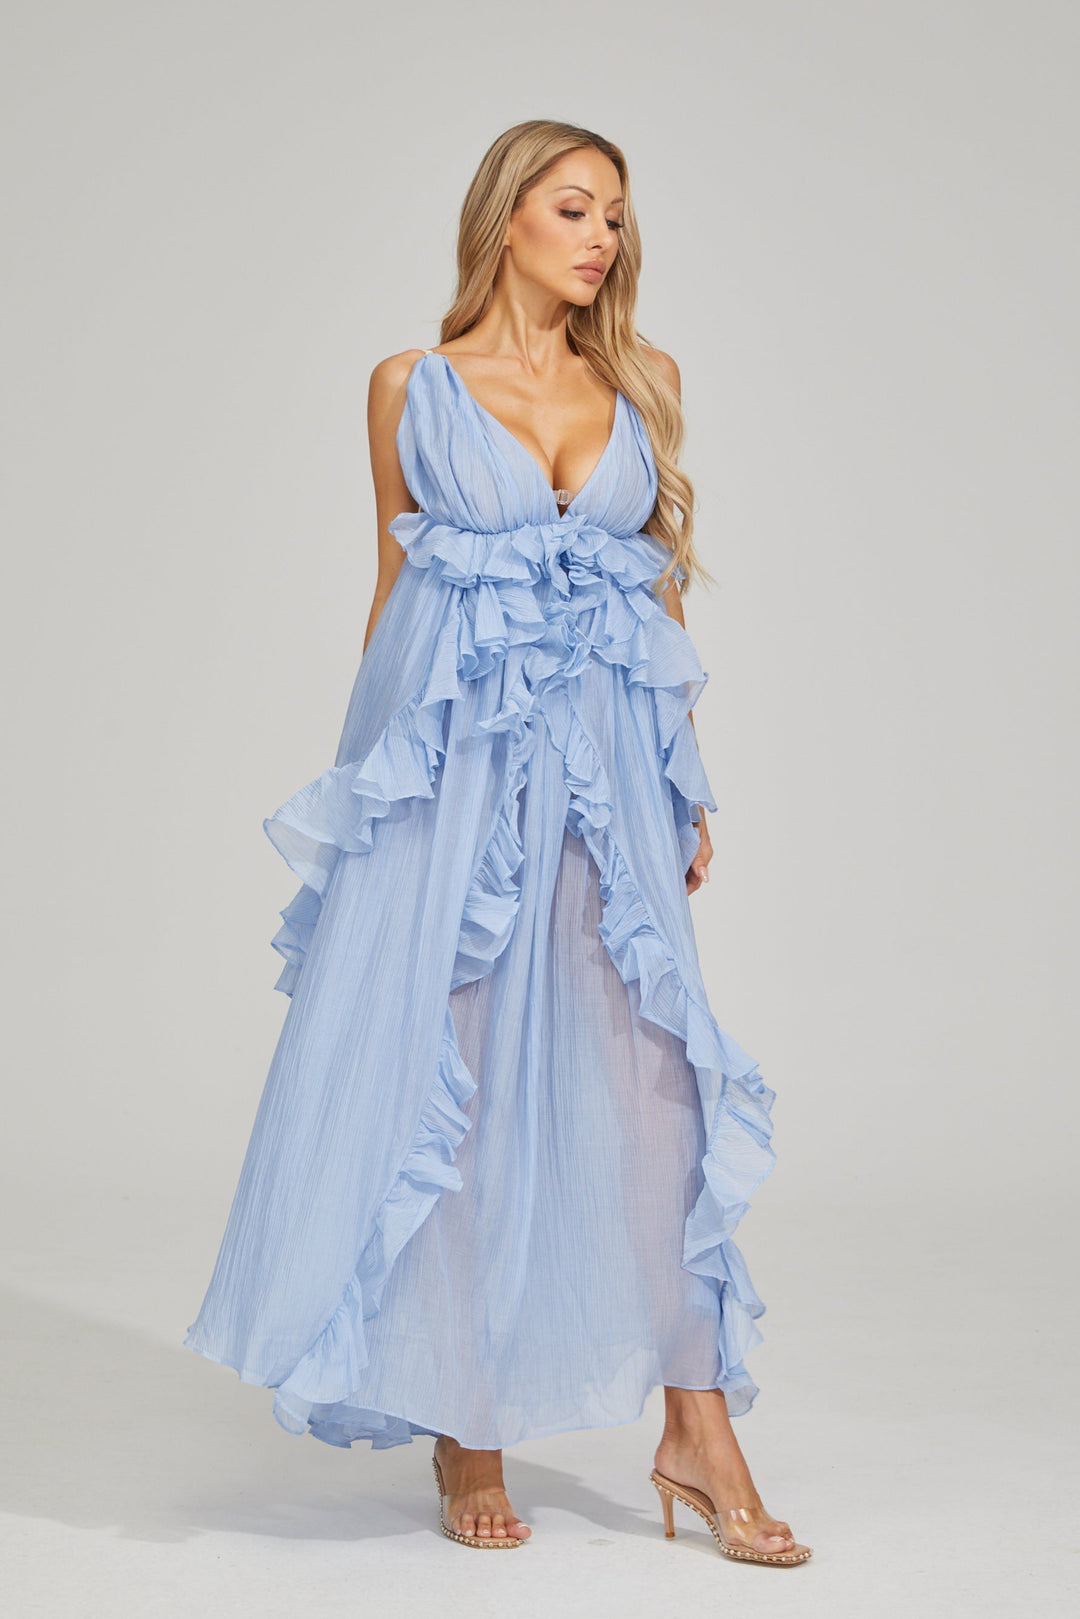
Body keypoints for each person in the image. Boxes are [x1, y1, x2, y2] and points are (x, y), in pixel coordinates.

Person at [185, 118, 811, 1568]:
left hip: (607, 766)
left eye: (615, 218)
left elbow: (657, 599)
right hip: (458, 768)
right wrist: (369, 803)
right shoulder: (410, 386)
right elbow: (393, 592)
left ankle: (699, 1427)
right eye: (574, 209)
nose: (601, 239)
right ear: (505, 217)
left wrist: (686, 781)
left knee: (656, 1082)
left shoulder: (642, 383)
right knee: (452, 1074)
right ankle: (463, 1419)